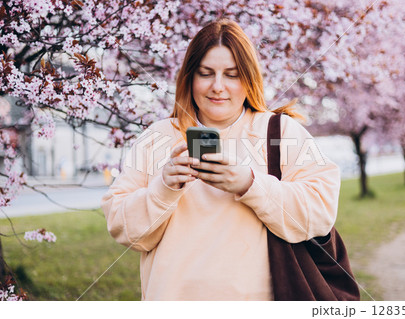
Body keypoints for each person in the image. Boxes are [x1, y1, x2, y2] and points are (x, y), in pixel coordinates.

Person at [101, 19, 340, 301]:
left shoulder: (280, 132)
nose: (217, 86)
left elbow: (320, 213)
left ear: (249, 78)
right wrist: (163, 189)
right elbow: (125, 230)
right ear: (189, 77)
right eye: (206, 73)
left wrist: (249, 185)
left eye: (232, 74)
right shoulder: (158, 136)